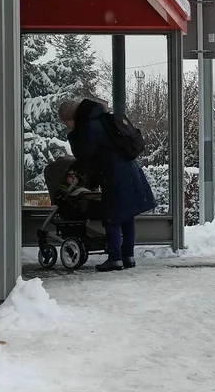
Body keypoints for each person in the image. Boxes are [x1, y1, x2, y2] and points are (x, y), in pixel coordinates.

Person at [58, 98, 156, 271]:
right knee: (126, 215)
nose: (67, 126)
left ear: (72, 117)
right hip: (129, 169)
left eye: (66, 122)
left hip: (114, 173)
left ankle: (115, 258)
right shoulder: (102, 119)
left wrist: (73, 136)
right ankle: (128, 256)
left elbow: (84, 154)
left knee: (112, 216)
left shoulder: (90, 126)